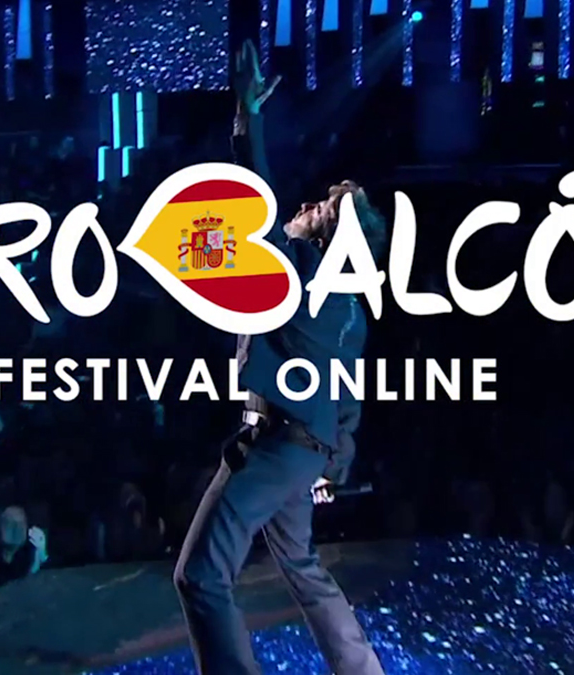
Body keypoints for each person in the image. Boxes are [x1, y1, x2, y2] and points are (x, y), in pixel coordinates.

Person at [172, 40, 387, 675]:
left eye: (319, 209)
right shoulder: (352, 309)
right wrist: (333, 464)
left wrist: (248, 118)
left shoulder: (303, 275)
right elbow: (346, 396)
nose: (305, 206)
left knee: (200, 575)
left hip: (277, 445)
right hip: (307, 450)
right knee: (302, 563)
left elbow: (256, 211)